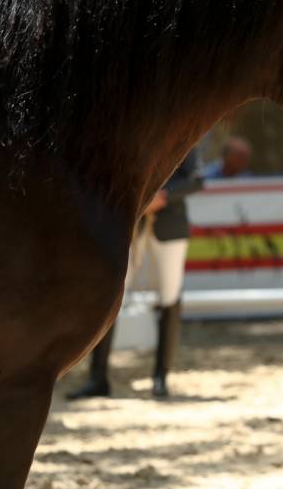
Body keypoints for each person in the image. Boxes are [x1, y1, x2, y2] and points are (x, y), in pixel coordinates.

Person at [68, 146, 204, 400]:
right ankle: (98, 378)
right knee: (110, 294)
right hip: (130, 220)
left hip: (169, 223)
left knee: (170, 294)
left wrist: (163, 196)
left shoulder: (184, 136)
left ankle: (161, 376)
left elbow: (196, 180)